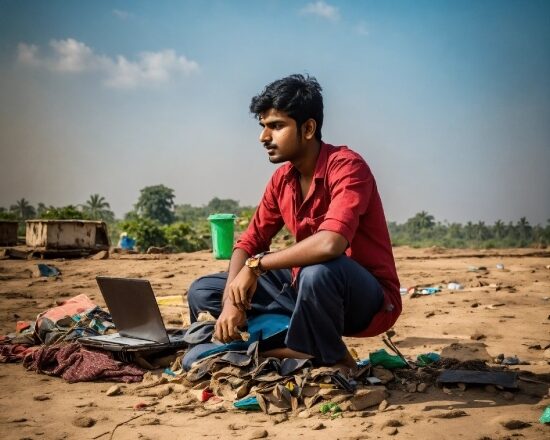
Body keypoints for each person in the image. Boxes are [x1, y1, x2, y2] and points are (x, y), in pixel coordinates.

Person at [187, 74, 401, 368]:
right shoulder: (282, 180)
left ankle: (331, 358)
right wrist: (231, 303)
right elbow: (248, 243)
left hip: (362, 298)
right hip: (303, 289)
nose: (264, 137)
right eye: (263, 126)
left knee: (320, 272)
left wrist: (257, 265)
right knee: (204, 291)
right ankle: (293, 347)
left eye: (276, 126)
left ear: (309, 128)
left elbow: (330, 243)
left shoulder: (347, 166)